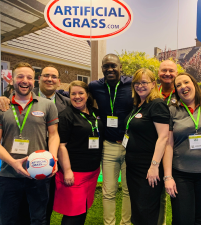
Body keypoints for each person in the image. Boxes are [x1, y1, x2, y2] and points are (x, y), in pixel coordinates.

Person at [0, 65, 69, 225]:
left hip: (39, 173)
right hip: (9, 175)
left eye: (29, 77)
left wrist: (53, 159)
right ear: (12, 80)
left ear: (34, 81)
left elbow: (53, 135)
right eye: (20, 77)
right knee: (8, 220)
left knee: (39, 219)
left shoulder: (47, 105)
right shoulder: (3, 106)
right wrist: (13, 163)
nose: (25, 81)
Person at [163, 72, 201, 225]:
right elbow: (168, 144)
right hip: (182, 174)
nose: (183, 87)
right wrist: (168, 177)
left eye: (186, 82)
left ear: (194, 84)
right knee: (182, 219)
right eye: (178, 85)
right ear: (176, 90)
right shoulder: (172, 110)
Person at [88, 53, 133, 225]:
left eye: (113, 65)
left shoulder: (132, 84)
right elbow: (75, 94)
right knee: (108, 191)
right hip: (108, 146)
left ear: (121, 67)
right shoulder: (95, 86)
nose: (110, 69)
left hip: (130, 145)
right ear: (102, 69)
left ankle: (126, 223)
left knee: (129, 191)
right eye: (106, 66)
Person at [53, 80, 103, 225]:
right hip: (75, 172)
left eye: (80, 93)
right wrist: (67, 171)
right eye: (73, 94)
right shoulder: (66, 115)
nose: (77, 97)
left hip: (92, 171)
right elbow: (61, 145)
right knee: (72, 214)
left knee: (83, 209)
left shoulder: (95, 113)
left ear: (87, 95)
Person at [124, 68, 170, 225]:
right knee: (137, 209)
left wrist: (154, 166)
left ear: (153, 84)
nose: (139, 86)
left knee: (146, 211)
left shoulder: (157, 104)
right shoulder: (139, 105)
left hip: (148, 167)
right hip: (133, 168)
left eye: (144, 82)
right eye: (136, 82)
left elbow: (163, 137)